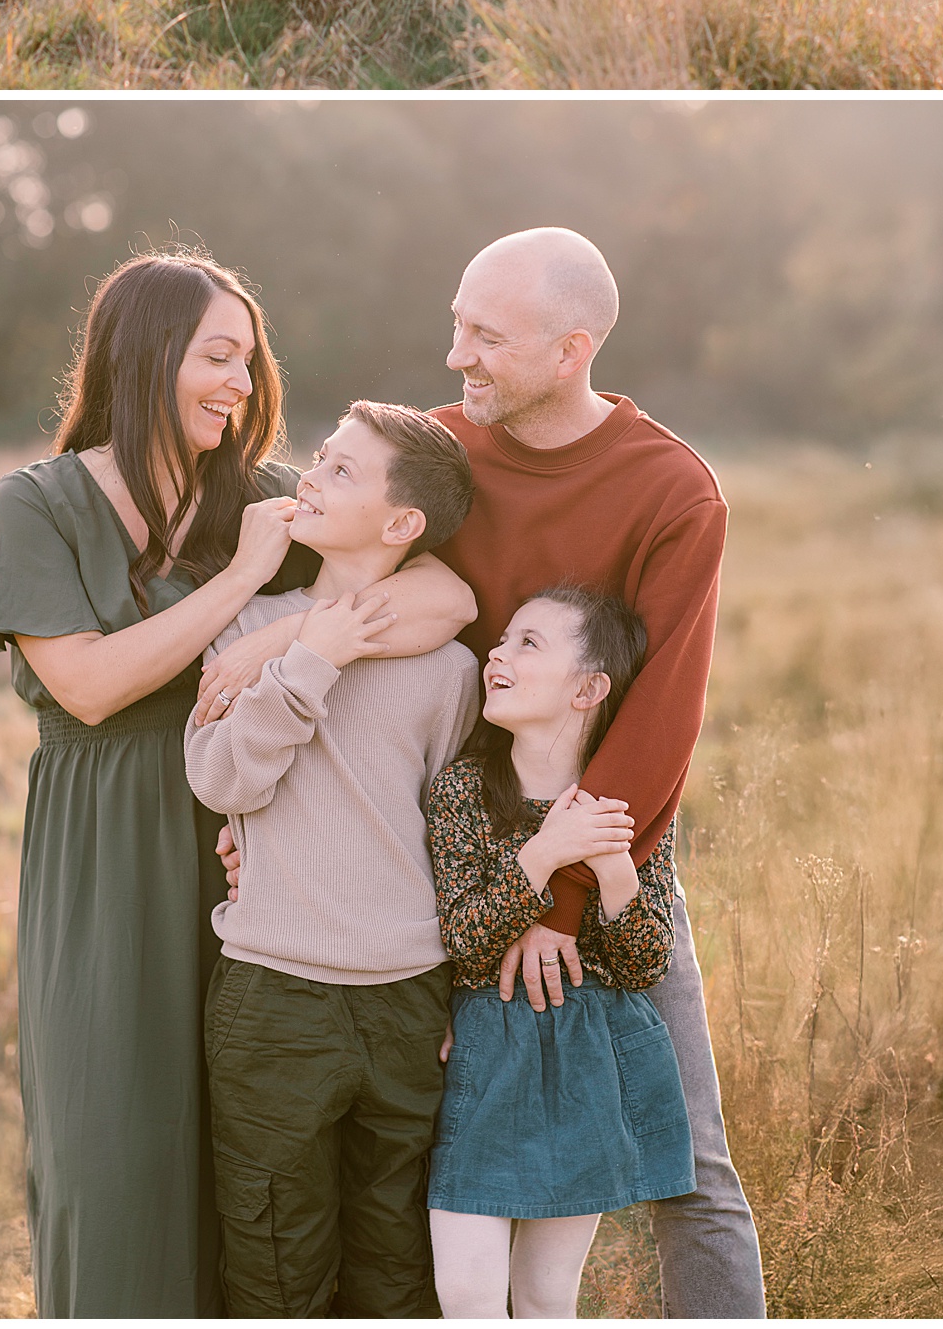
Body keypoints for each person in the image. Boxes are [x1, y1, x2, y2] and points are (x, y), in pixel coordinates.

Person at [197, 225, 768, 1319]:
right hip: (437, 841)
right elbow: (435, 600)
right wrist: (269, 649)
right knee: (439, 1153)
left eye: (485, 337)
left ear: (571, 348)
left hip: (603, 838)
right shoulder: (449, 449)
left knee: (686, 1154)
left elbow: (658, 726)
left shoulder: (671, 490)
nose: (456, 354)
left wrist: (562, 902)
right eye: (457, 324)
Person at [0, 253, 475, 1319]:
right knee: (114, 1147)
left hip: (259, 846)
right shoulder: (40, 504)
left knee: (260, 1170)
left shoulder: (273, 494)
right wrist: (241, 583)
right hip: (109, 846)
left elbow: (446, 595)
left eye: (250, 359)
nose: (242, 385)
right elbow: (90, 688)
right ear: (143, 357)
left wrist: (285, 628)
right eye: (217, 357)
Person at [185, 403, 481, 1317]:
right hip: (273, 998)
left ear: (403, 525)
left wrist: (451, 993)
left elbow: (446, 831)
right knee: (276, 1257)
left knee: (396, 1259)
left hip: (405, 999)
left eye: (342, 471)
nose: (309, 476)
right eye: (320, 458)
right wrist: (307, 660)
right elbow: (220, 778)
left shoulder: (449, 668)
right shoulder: (248, 633)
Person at [427, 586, 695, 1319]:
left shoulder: (629, 807)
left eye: (527, 643)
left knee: (547, 1294)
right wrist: (541, 856)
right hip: (486, 1055)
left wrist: (611, 865)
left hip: (590, 1058)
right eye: (502, 639)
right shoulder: (461, 790)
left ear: (589, 687)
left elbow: (642, 964)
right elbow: (466, 939)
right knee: (468, 1291)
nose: (497, 653)